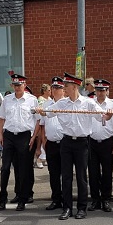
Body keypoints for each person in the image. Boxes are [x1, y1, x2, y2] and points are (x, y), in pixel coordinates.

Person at [39, 72, 113, 220]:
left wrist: (108, 115)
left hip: (82, 143)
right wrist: (41, 111)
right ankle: (67, 208)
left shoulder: (88, 103)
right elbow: (48, 113)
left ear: (74, 87)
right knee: (66, 177)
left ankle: (81, 208)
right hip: (66, 142)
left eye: (66, 86)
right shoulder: (62, 103)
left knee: (81, 177)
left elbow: (102, 117)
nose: (64, 88)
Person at [0, 74, 40, 211]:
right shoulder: (7, 99)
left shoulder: (32, 100)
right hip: (9, 135)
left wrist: (33, 137)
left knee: (22, 169)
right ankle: (2, 198)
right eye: (14, 85)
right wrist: (0, 135)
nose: (17, 88)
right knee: (5, 168)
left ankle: (22, 199)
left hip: (24, 136)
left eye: (19, 85)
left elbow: (38, 120)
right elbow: (1, 118)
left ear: (24, 85)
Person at [88, 79, 113, 212]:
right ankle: (95, 199)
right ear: (95, 91)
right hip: (92, 141)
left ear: (107, 91)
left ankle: (106, 199)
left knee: (107, 172)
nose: (100, 93)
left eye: (103, 90)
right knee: (93, 172)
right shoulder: (89, 103)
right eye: (98, 90)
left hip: (107, 141)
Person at [40, 77, 65, 211]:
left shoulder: (67, 104)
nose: (55, 90)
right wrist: (44, 141)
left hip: (64, 143)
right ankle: (56, 199)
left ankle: (66, 200)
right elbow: (42, 125)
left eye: (58, 88)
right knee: (53, 173)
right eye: (53, 88)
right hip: (51, 143)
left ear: (63, 90)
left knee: (65, 174)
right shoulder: (46, 105)